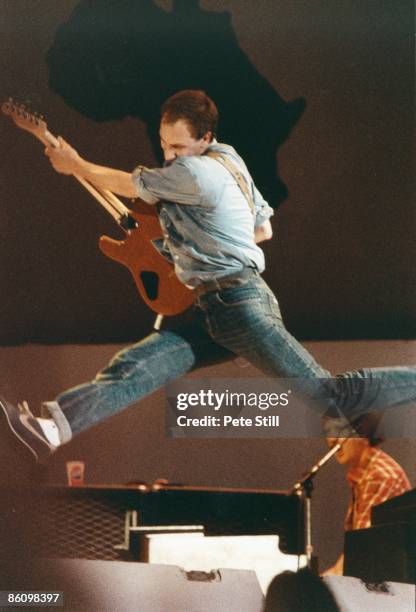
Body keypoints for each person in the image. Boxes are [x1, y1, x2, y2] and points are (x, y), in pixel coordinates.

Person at [1, 90, 416, 463]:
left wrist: (76, 165)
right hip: (213, 307)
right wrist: (203, 241)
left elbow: (132, 185)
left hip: (239, 308)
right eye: (164, 144)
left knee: (333, 397)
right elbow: (263, 229)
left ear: (204, 138)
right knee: (137, 367)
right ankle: (50, 429)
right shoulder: (229, 158)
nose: (170, 155)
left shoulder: (197, 172)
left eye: (179, 146)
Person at [323, 413, 411, 576]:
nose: (332, 440)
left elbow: (363, 553)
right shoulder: (363, 475)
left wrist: (325, 581)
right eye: (328, 431)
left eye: (340, 430)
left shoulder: (380, 475)